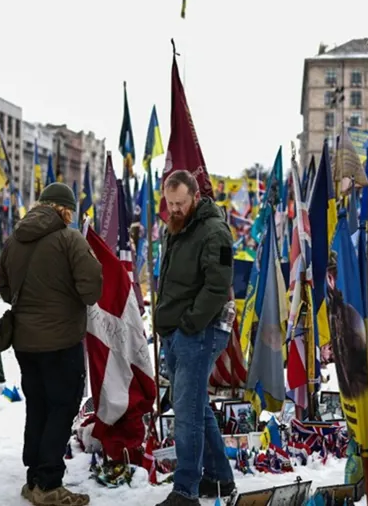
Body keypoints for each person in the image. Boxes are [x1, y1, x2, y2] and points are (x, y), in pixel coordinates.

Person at [0, 183, 102, 506]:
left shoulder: (14, 240)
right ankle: (48, 482)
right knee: (61, 408)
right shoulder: (70, 239)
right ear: (66, 210)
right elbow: (92, 290)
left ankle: (33, 479)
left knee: (38, 406)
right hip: (61, 343)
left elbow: (4, 290)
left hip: (25, 345)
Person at [153, 170, 236, 506]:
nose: (174, 208)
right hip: (178, 330)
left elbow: (217, 286)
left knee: (186, 411)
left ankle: (185, 490)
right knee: (195, 406)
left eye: (180, 203)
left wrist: (190, 324)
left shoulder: (214, 231)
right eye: (170, 203)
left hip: (199, 331)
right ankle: (218, 478)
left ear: (194, 198)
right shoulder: (176, 228)